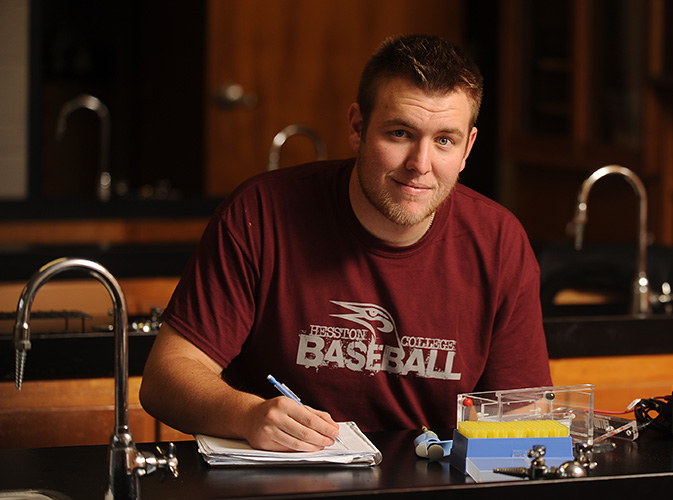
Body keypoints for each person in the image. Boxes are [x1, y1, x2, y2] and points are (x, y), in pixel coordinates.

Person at [139, 34, 552, 452]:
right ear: (357, 127)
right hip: (283, 481)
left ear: (468, 148)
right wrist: (246, 415)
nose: (420, 165)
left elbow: (522, 414)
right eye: (400, 133)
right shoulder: (261, 212)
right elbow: (165, 377)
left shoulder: (499, 241)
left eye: (444, 140)